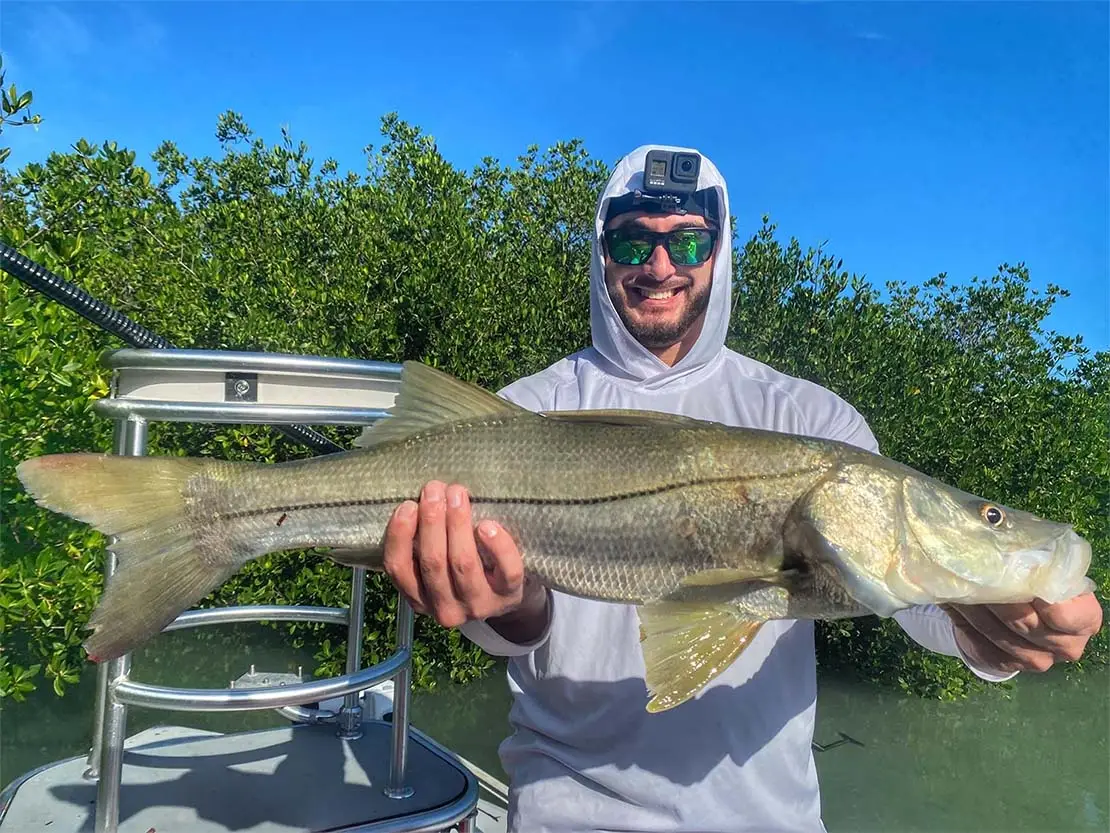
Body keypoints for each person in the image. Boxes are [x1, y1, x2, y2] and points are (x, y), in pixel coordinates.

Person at [379, 145, 1102, 832]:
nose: (660, 264)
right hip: (568, 810)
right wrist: (507, 607)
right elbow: (514, 628)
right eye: (634, 241)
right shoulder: (523, 411)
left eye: (689, 242)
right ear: (602, 254)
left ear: (721, 251)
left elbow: (913, 602)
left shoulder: (815, 420)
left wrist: (999, 634)